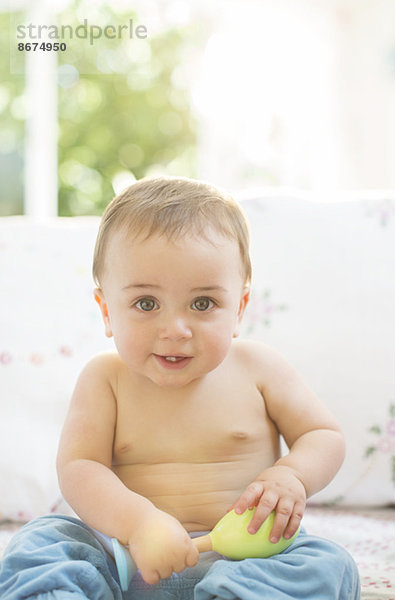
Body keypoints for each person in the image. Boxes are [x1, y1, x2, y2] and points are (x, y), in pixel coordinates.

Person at [0, 176, 360, 599]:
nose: (175, 330)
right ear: (107, 311)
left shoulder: (260, 368)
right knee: (44, 541)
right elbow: (80, 468)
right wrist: (140, 523)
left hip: (248, 561)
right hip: (124, 557)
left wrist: (292, 475)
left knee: (328, 564)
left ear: (240, 307)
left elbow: (324, 435)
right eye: (146, 304)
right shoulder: (105, 378)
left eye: (203, 304)